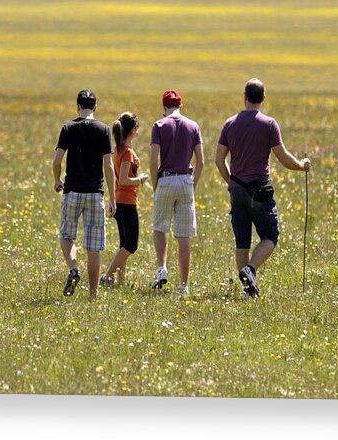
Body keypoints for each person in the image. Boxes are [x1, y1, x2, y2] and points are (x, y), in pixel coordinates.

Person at [215, 78, 311, 298]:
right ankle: (250, 270)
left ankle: (248, 289)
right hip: (260, 189)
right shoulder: (269, 124)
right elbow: (283, 158)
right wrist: (301, 166)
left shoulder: (230, 124)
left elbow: (219, 159)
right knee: (270, 235)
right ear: (263, 99)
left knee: (242, 240)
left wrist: (230, 181)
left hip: (237, 189)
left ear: (245, 97)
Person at [53, 89, 116, 300]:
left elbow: (56, 161)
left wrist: (57, 180)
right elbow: (108, 165)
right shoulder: (104, 130)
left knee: (66, 236)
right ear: (95, 107)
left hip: (72, 191)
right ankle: (93, 295)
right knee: (93, 247)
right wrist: (112, 198)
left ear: (77, 106)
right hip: (94, 193)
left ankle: (73, 268)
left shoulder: (68, 128)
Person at [150, 89, 204, 295]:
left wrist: (156, 185)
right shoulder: (193, 126)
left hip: (165, 178)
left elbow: (154, 160)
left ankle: (162, 268)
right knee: (183, 235)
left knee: (160, 227)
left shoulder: (159, 125)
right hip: (185, 179)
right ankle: (184, 285)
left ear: (164, 107)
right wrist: (193, 184)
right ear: (180, 106)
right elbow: (201, 161)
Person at [100, 112, 148, 287]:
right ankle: (107, 276)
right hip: (127, 202)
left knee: (123, 244)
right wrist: (141, 179)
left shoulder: (117, 150)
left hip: (119, 200)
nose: (138, 131)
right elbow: (123, 179)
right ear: (132, 130)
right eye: (137, 127)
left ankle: (121, 282)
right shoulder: (127, 152)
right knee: (131, 245)